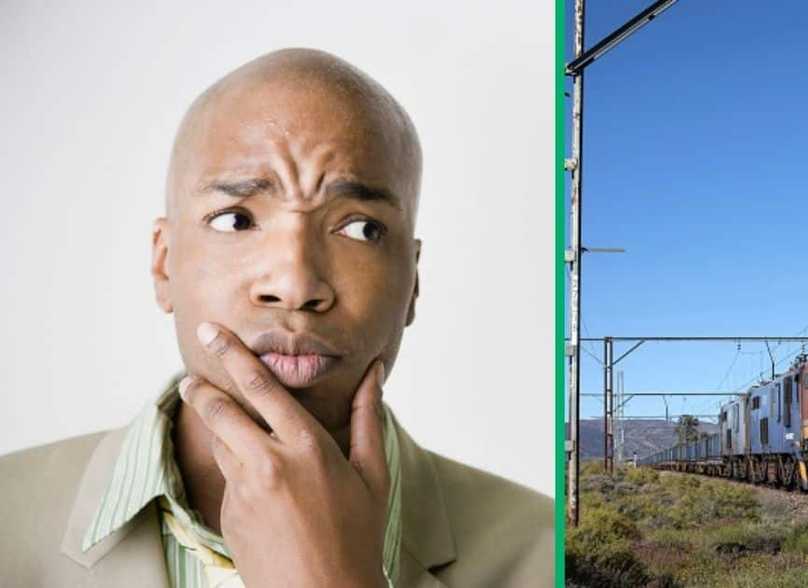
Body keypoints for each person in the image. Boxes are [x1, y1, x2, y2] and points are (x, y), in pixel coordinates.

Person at [0, 48, 552, 587]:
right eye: (236, 220)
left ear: (412, 281)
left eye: (360, 228)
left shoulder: (545, 553)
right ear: (164, 263)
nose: (295, 285)